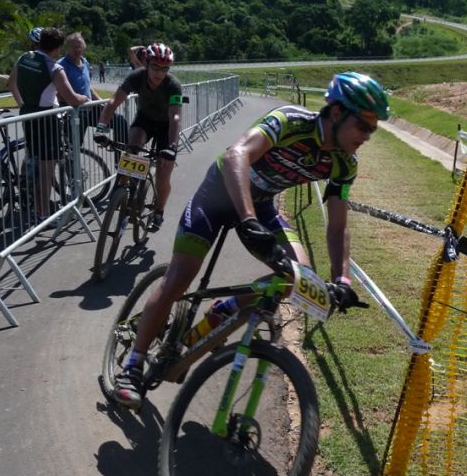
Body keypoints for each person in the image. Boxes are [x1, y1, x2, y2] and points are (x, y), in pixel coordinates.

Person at [112, 71, 389, 408]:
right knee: (179, 280)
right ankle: (134, 363)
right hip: (217, 195)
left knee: (299, 275)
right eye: (364, 125)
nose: (368, 135)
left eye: (373, 128)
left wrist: (341, 278)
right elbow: (235, 156)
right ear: (336, 113)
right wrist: (247, 220)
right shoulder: (289, 121)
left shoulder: (345, 162)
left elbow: (337, 226)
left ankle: (226, 308)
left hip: (260, 205)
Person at [93, 42, 183, 231]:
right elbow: (113, 102)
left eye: (164, 68)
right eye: (155, 67)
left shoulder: (173, 85)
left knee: (163, 173)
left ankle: (159, 212)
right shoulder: (136, 77)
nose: (159, 73)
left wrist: (172, 147)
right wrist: (101, 128)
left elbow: (175, 116)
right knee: (131, 147)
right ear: (147, 63)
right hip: (145, 120)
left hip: (166, 126)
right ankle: (122, 192)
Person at [8, 27, 90, 222]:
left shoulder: (24, 58)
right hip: (48, 121)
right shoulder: (54, 67)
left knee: (35, 165)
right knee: (46, 172)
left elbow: (11, 83)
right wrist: (85, 98)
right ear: (59, 48)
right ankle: (43, 215)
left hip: (28, 116)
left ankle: (37, 210)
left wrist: (23, 105)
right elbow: (71, 98)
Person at [56, 31, 101, 142]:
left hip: (89, 109)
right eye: (74, 47)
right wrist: (76, 101)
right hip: (73, 112)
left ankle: (121, 156)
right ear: (67, 48)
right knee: (75, 146)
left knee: (120, 121)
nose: (77, 50)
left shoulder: (85, 62)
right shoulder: (60, 65)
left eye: (80, 47)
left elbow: (88, 86)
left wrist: (100, 101)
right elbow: (58, 92)